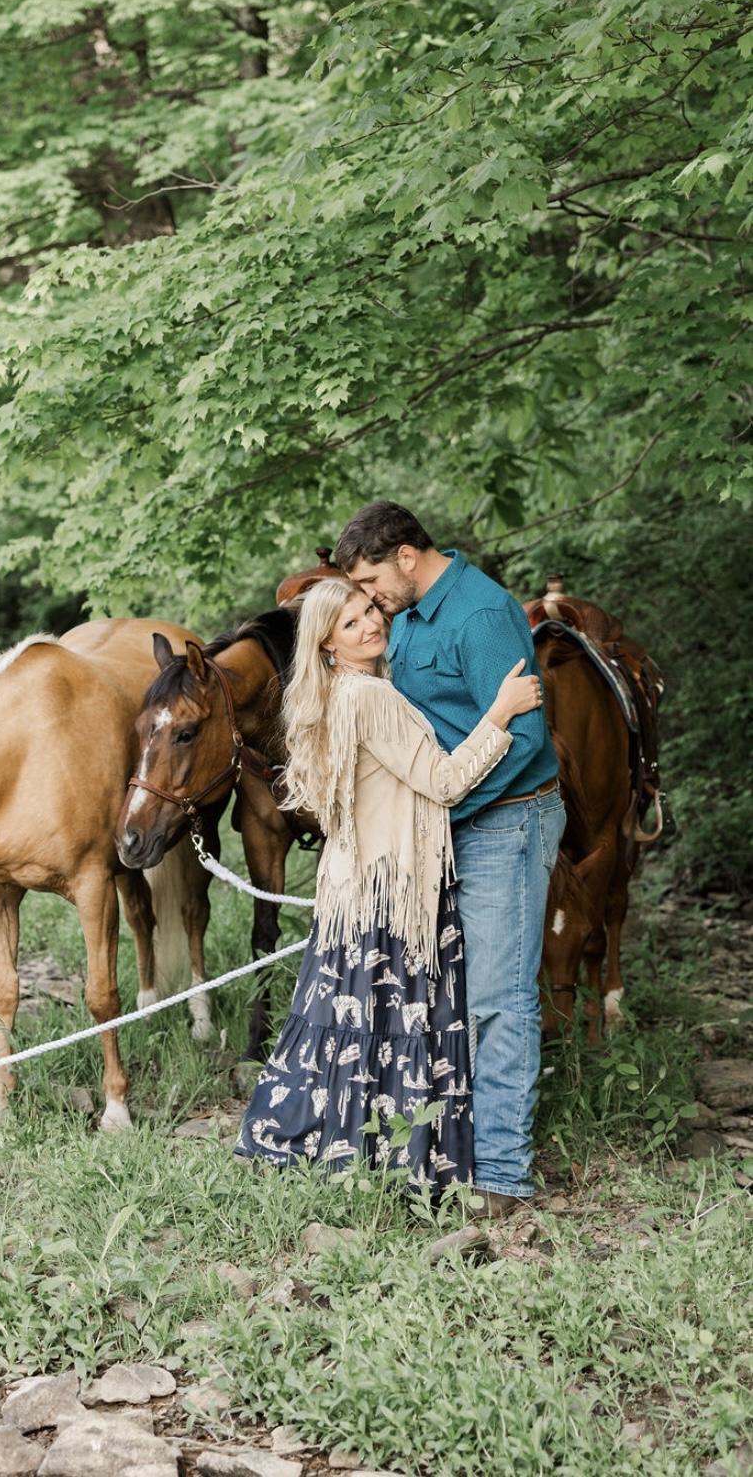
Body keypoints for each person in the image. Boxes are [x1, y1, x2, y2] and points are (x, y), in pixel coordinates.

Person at [234, 577, 541, 1194]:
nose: (371, 623)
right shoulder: (370, 698)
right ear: (327, 644)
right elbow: (445, 783)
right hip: (392, 889)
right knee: (393, 1022)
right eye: (350, 623)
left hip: (355, 887)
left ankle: (331, 1147)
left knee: (350, 1023)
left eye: (369, 609)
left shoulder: (337, 695)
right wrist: (500, 712)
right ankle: (399, 1159)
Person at [336, 501, 567, 1216]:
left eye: (371, 579)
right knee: (448, 996)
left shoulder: (481, 615)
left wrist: (439, 812)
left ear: (406, 556)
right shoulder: (404, 615)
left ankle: (500, 1174)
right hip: (446, 825)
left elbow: (524, 741)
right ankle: (446, 1150)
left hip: (504, 822)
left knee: (498, 1000)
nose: (368, 597)